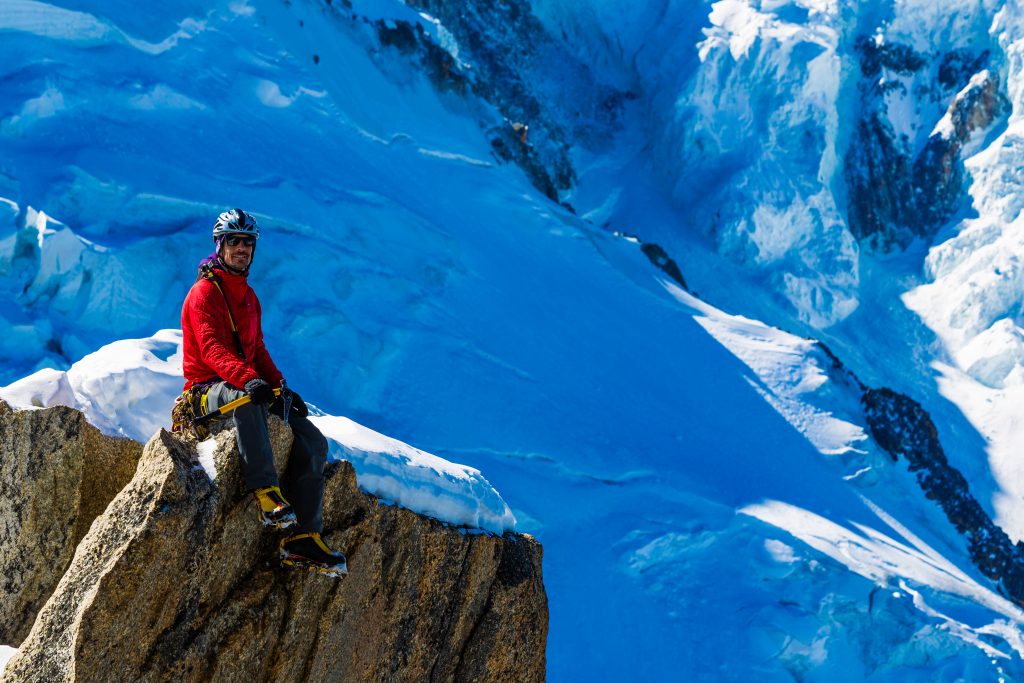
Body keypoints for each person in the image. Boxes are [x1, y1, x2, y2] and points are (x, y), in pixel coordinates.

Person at [179, 208, 346, 578]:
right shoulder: (203, 293)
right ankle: (266, 493)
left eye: (247, 242)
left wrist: (279, 388)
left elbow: (257, 350)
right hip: (205, 393)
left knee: (312, 440)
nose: (242, 248)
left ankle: (302, 537)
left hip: (239, 381)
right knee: (245, 401)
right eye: (234, 241)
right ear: (220, 246)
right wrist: (248, 381)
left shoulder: (249, 297)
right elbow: (211, 349)